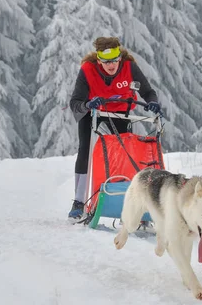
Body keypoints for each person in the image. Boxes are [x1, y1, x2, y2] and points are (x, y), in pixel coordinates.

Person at [68, 37, 162, 219]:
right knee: (85, 149)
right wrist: (88, 104)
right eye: (106, 62)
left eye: (114, 61)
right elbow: (75, 103)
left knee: (126, 152)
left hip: (120, 112)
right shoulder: (87, 70)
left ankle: (131, 200)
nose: (111, 66)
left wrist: (152, 103)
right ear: (99, 60)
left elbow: (148, 92)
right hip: (94, 111)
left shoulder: (129, 67)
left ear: (120, 58)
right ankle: (79, 201)